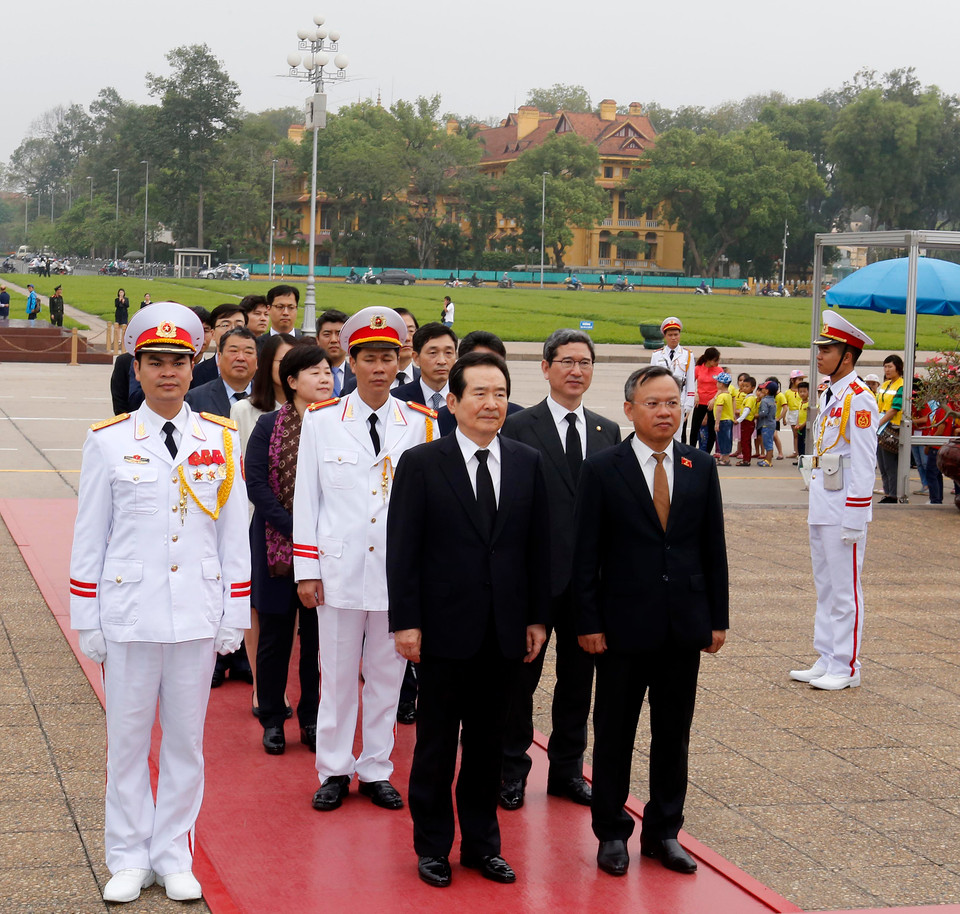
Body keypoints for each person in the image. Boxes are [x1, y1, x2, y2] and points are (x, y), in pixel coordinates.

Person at [69, 302, 250, 903]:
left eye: (178, 361)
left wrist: (233, 613)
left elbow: (232, 533)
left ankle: (173, 852)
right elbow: (89, 535)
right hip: (130, 613)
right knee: (125, 740)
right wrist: (86, 615)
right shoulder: (110, 442)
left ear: (194, 365)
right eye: (155, 362)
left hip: (195, 613)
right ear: (138, 368)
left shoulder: (219, 440)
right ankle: (125, 854)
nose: (168, 372)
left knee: (184, 742)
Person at [387, 351, 550, 888]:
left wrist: (537, 618)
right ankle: (432, 845)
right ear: (452, 402)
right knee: (436, 744)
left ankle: (482, 845)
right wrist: (406, 622)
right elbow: (403, 550)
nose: (491, 404)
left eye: (500, 393)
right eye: (479, 393)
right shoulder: (422, 463)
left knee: (489, 746)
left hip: (505, 631)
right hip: (443, 629)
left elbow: (537, 549)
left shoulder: (527, 461)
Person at [574, 365, 728, 878]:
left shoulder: (699, 465)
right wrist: (588, 620)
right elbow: (585, 554)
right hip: (620, 629)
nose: (664, 412)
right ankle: (611, 833)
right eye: (653, 403)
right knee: (614, 734)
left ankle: (664, 832)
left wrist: (717, 618)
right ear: (629, 410)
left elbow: (713, 549)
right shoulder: (602, 469)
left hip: (683, 627)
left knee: (673, 735)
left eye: (671, 402)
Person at [293, 306, 438, 814]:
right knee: (333, 675)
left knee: (387, 676)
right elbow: (307, 498)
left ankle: (376, 767)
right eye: (368, 358)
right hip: (336, 569)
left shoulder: (421, 424)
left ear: (401, 363)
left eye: (387, 358)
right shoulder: (322, 419)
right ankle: (333, 768)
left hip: (396, 577)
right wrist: (306, 569)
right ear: (350, 362)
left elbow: (429, 507)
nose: (379, 368)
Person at [498, 329, 621, 812]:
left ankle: (568, 770)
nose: (576, 370)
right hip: (533, 580)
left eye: (584, 362)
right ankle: (511, 769)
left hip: (587, 585)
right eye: (566, 361)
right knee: (519, 681)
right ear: (545, 368)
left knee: (578, 683)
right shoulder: (517, 426)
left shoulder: (606, 430)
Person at [247, 345, 333, 755]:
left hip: (326, 550)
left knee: (317, 642)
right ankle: (272, 718)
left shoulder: (338, 425)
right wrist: (298, 530)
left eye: (328, 371)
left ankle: (312, 718)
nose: (324, 379)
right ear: (292, 381)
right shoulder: (269, 425)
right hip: (275, 548)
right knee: (275, 637)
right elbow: (257, 486)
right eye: (314, 372)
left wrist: (318, 535)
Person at [790, 311, 878, 691]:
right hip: (823, 501)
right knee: (825, 585)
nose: (820, 355)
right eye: (821, 348)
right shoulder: (831, 393)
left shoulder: (860, 399)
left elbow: (863, 460)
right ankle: (826, 655)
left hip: (845, 505)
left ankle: (846, 664)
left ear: (848, 355)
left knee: (845, 589)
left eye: (828, 349)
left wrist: (856, 515)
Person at [231, 331, 296, 717]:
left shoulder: (321, 412)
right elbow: (242, 474)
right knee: (259, 612)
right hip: (257, 523)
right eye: (281, 362)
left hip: (302, 530)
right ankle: (264, 687)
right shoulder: (245, 411)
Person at [186, 327, 258, 421]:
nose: (241, 358)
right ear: (219, 358)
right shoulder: (196, 398)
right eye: (233, 351)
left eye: (248, 352)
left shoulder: (269, 397)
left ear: (256, 361)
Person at [649, 317, 696, 441]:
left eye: (676, 334)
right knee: (660, 431)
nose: (673, 337)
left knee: (677, 434)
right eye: (670, 335)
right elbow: (652, 380)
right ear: (665, 336)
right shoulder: (657, 355)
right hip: (661, 399)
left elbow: (690, 380)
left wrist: (689, 403)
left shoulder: (687, 355)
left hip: (679, 400)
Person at [393, 323, 457, 413]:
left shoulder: (464, 398)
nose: (442, 361)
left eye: (448, 353)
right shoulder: (396, 399)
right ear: (416, 358)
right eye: (433, 353)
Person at [191, 304, 248, 389]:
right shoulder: (194, 374)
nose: (232, 330)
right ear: (213, 333)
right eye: (225, 325)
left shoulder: (259, 373)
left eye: (239, 326)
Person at [875, 354, 904, 503]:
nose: (887, 369)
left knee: (890, 464)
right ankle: (887, 492)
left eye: (890, 366)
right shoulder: (885, 385)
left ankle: (893, 494)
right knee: (882, 464)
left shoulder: (901, 385)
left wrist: (878, 422)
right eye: (885, 366)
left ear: (898, 368)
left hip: (891, 428)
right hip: (880, 428)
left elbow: (895, 409)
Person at [689, 347, 722, 454]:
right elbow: (690, 383)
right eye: (715, 360)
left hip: (712, 403)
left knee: (712, 430)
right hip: (699, 403)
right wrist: (695, 393)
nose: (717, 363)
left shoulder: (719, 370)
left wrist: (714, 399)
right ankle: (692, 451)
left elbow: (722, 388)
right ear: (708, 360)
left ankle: (707, 453)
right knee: (695, 428)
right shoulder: (698, 368)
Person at [316, 309, 354, 396]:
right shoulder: (308, 375)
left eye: (339, 334)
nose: (333, 340)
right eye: (327, 334)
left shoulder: (358, 377)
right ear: (317, 339)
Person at [735, 376, 758, 466]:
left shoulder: (750, 398)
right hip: (747, 422)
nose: (744, 388)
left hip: (747, 422)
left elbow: (746, 410)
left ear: (752, 388)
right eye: (743, 386)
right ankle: (746, 458)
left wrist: (739, 420)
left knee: (745, 441)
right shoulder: (748, 397)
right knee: (746, 441)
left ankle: (746, 460)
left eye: (747, 386)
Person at [712, 372, 734, 466]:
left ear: (721, 384)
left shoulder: (721, 397)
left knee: (723, 439)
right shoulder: (728, 395)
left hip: (723, 420)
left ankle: (725, 458)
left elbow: (719, 410)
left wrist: (716, 423)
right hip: (728, 420)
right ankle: (723, 456)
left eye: (717, 382)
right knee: (726, 439)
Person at [755, 381, 778, 466]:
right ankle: (767, 459)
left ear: (767, 391)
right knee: (769, 442)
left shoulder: (764, 401)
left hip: (766, 424)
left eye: (763, 388)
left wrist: (756, 415)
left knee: (767, 443)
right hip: (771, 423)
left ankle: (768, 461)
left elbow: (764, 413)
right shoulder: (772, 400)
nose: (762, 390)